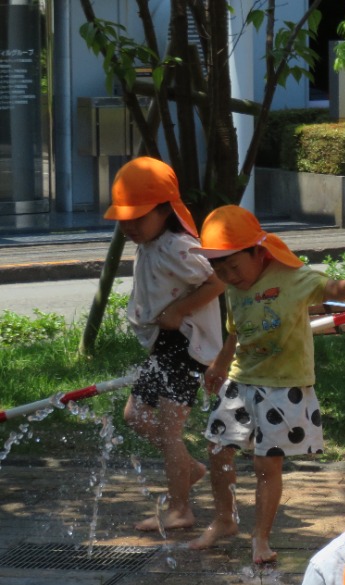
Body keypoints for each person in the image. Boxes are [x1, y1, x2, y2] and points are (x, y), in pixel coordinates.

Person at [187, 205, 345, 565]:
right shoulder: (233, 285)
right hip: (242, 378)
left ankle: (261, 538)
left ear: (258, 253)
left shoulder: (292, 278)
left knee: (266, 464)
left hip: (283, 385)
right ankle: (225, 520)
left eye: (235, 268)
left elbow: (326, 285)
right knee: (217, 450)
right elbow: (235, 331)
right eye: (219, 270)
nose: (229, 277)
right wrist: (220, 363)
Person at [103, 157, 224, 532]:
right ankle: (187, 468)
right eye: (123, 219)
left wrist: (180, 310)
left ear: (164, 210)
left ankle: (180, 509)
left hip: (186, 345)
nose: (129, 227)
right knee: (134, 416)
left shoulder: (176, 246)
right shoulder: (152, 244)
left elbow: (219, 278)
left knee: (170, 432)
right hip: (165, 345)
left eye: (137, 218)